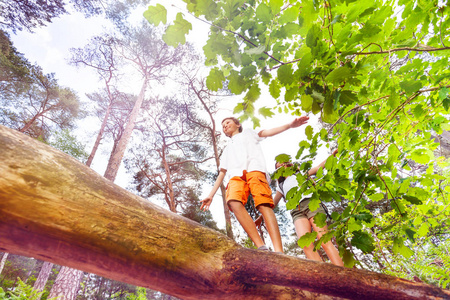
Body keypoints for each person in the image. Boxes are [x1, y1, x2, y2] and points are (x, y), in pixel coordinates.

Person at [200, 116, 309, 252]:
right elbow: (222, 173)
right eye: (222, 125)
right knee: (233, 201)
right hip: (235, 176)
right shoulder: (227, 149)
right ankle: (261, 246)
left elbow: (267, 132)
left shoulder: (248, 133)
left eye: (227, 122)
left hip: (254, 169)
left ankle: (279, 250)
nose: (225, 126)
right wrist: (211, 195)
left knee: (263, 204)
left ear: (238, 124)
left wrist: (289, 125)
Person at [257, 149, 344, 265]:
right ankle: (323, 275)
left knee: (324, 240)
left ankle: (341, 271)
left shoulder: (301, 173)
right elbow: (272, 204)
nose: (282, 165)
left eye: (284, 162)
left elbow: (318, 167)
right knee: (305, 244)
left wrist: (332, 155)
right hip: (297, 211)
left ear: (289, 164)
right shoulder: (281, 186)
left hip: (311, 204)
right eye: (279, 164)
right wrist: (261, 217)